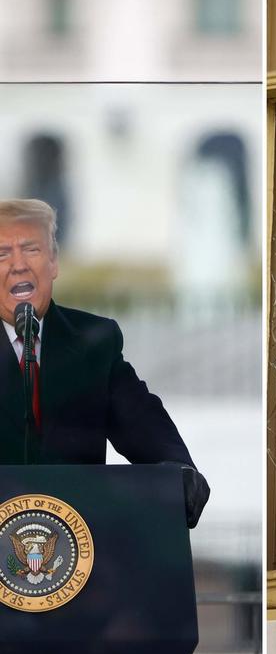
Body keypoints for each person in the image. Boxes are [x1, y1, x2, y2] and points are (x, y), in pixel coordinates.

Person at [0, 199, 208, 527]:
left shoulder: (93, 342)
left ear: (53, 261)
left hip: (80, 548)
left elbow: (143, 424)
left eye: (31, 250)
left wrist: (178, 470)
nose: (18, 265)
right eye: (2, 254)